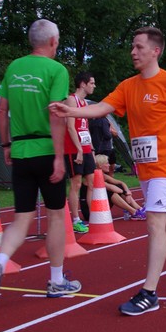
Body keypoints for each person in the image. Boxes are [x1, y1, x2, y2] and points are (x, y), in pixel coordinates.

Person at [50, 25, 166, 315]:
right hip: (146, 168)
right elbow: (102, 108)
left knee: (154, 223)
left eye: (139, 47)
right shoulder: (129, 86)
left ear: (155, 51)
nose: (133, 52)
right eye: (132, 47)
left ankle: (149, 293)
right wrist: (71, 111)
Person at [0, 19, 82, 305]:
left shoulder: (14, 67)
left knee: (21, 218)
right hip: (46, 150)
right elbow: (55, 114)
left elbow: (1, 111)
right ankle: (57, 280)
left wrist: (6, 145)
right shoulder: (56, 70)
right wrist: (59, 157)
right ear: (53, 42)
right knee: (56, 216)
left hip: (21, 150)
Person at [64, 71, 96, 235]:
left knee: (91, 183)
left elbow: (85, 127)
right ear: (83, 84)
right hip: (73, 148)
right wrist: (78, 150)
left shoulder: (85, 103)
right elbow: (70, 127)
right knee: (76, 183)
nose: (94, 86)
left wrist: (91, 148)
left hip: (86, 147)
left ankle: (94, 217)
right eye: (91, 83)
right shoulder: (72, 100)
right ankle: (76, 220)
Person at [94, 154, 146, 219]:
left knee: (119, 186)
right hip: (92, 212)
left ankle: (139, 208)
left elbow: (121, 183)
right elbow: (112, 188)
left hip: (100, 205)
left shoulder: (104, 176)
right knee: (110, 191)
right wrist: (124, 192)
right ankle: (134, 212)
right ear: (100, 165)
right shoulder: (95, 177)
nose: (109, 165)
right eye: (107, 163)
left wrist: (128, 193)